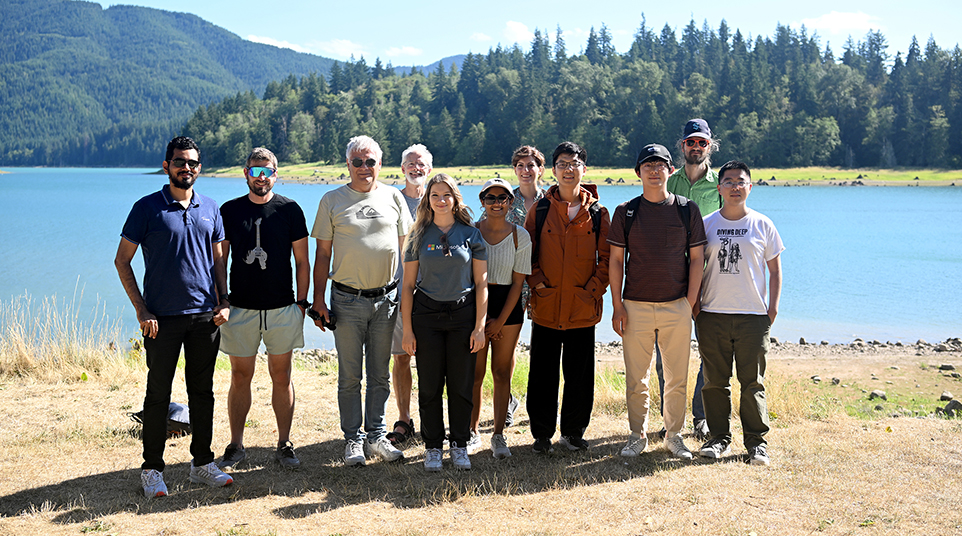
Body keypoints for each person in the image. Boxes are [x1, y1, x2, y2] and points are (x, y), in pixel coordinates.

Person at [115, 136, 234, 498]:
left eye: (193, 163)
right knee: (157, 394)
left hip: (204, 318)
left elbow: (217, 261)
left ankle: (202, 464)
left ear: (200, 168)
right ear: (167, 166)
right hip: (161, 320)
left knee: (203, 394)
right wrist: (141, 309)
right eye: (180, 162)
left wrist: (224, 301)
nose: (187, 168)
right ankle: (152, 469)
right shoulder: (146, 208)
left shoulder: (210, 207)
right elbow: (122, 260)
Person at [308, 135, 412, 466]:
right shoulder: (332, 199)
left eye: (370, 162)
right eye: (357, 161)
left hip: (387, 300)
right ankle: (353, 439)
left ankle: (376, 437)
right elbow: (322, 253)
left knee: (380, 373)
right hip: (346, 300)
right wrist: (318, 300)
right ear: (348, 164)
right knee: (350, 375)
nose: (364, 168)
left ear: (380, 165)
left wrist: (407, 296)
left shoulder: (394, 196)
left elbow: (406, 250)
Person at [608, 143, 707, 460]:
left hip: (676, 305)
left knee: (677, 378)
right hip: (635, 306)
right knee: (637, 378)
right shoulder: (626, 211)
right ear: (638, 172)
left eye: (660, 164)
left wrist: (689, 303)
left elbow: (697, 259)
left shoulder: (686, 209)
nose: (654, 170)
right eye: (647, 165)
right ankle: (637, 436)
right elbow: (615, 262)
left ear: (670, 170)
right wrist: (617, 306)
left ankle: (674, 436)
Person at [216, 147, 310, 471]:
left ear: (275, 173)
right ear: (245, 174)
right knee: (240, 376)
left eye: (266, 171)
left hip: (283, 308)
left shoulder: (291, 210)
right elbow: (220, 260)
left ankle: (284, 443)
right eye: (255, 171)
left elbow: (302, 260)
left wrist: (301, 302)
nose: (261, 177)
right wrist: (223, 299)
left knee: (281, 376)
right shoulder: (229, 211)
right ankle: (235, 444)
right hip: (240, 309)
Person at [523, 141, 610, 453]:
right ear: (554, 170)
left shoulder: (598, 213)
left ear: (583, 170)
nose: (568, 169)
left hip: (582, 308)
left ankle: (573, 433)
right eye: (562, 164)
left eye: (574, 164)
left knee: (579, 376)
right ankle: (542, 435)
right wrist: (538, 284)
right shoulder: (541, 209)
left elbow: (607, 260)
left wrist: (592, 291)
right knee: (542, 373)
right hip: (546, 306)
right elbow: (526, 254)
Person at [696, 160, 783, 466]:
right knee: (714, 382)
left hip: (752, 317)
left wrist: (771, 308)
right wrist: (694, 304)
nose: (735, 187)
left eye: (740, 181)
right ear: (719, 188)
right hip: (712, 314)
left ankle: (757, 444)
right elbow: (694, 266)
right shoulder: (706, 224)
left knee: (752, 382)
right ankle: (719, 438)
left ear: (749, 186)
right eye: (728, 182)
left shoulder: (763, 224)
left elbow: (774, 270)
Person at [401, 174, 488, 471]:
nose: (441, 200)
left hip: (462, 316)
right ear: (427, 200)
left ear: (455, 199)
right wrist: (408, 330)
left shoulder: (471, 234)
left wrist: (479, 326)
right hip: (426, 316)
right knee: (429, 386)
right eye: (435, 195)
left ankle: (460, 444)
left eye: (446, 195)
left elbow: (481, 284)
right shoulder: (417, 235)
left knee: (461, 385)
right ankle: (433, 447)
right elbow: (408, 285)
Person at [656, 118, 723, 441]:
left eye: (702, 143)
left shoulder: (722, 185)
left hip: (712, 280)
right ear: (682, 146)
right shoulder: (667, 180)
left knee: (709, 352)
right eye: (691, 142)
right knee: (663, 355)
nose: (696, 147)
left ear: (710, 146)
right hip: (669, 279)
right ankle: (670, 419)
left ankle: (701, 417)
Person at [468, 178, 532, 458]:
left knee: (502, 372)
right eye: (490, 198)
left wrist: (499, 321)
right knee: (475, 373)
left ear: (510, 202)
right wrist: (482, 322)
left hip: (508, 307)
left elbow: (518, 284)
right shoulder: (470, 233)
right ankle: (470, 432)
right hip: (474, 307)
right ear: (482, 201)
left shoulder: (521, 236)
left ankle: (498, 435)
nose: (497, 203)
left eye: (502, 198)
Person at [386, 144, 431, 447]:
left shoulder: (442, 198)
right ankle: (404, 419)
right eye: (410, 164)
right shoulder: (390, 199)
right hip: (399, 292)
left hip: (434, 295)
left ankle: (432, 420)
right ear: (402, 168)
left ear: (429, 168)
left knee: (432, 361)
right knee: (401, 357)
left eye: (422, 164)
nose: (416, 168)